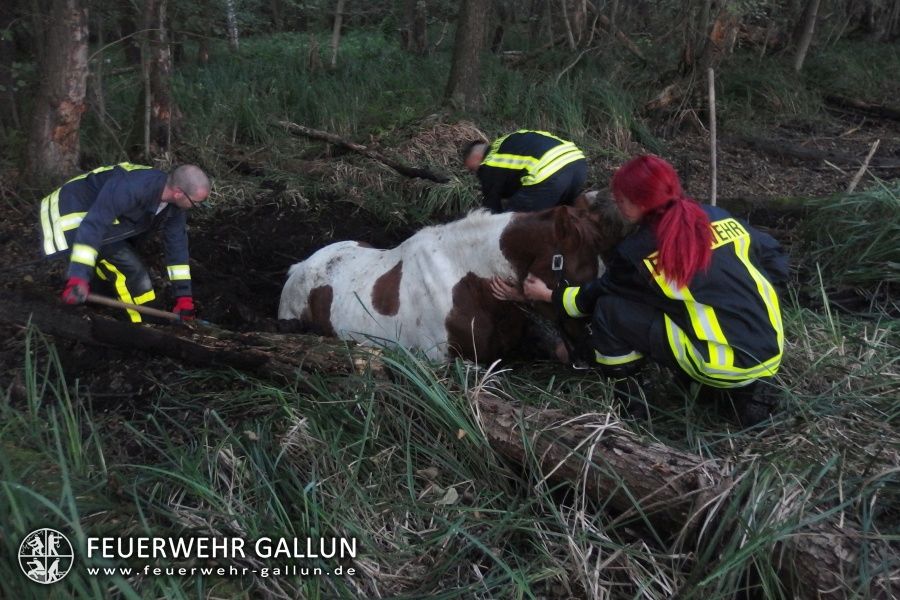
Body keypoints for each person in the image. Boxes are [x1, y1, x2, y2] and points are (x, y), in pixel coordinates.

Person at [493, 155, 788, 425]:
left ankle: (632, 403)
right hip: (770, 348)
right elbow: (774, 255)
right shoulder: (716, 215)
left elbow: (592, 298)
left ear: (641, 203)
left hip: (718, 362)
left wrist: (549, 296)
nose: (618, 206)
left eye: (621, 200)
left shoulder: (638, 251)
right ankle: (743, 391)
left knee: (610, 311)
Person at [38, 163, 210, 322]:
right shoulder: (133, 187)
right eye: (194, 202)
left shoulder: (175, 207)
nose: (195, 207)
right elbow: (93, 226)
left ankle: (89, 306)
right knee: (133, 271)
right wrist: (78, 276)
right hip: (70, 213)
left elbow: (177, 248)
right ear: (178, 192)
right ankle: (143, 326)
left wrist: (184, 297)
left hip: (100, 221)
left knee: (116, 262)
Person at [462, 129, 587, 213]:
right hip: (576, 162)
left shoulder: (488, 163)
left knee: (511, 222)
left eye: (472, 169)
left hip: (548, 171)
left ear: (476, 157)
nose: (476, 174)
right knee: (563, 214)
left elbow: (490, 210)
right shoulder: (507, 141)